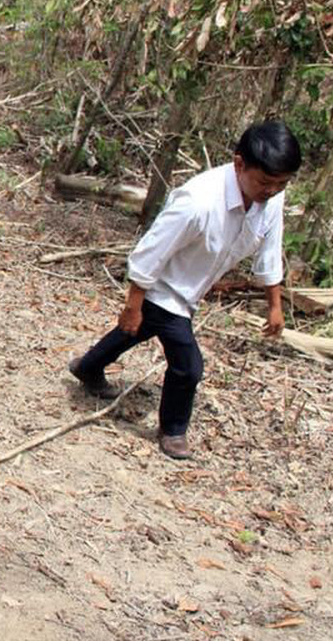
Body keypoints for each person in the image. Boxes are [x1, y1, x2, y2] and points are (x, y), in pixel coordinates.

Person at [68, 121, 302, 460]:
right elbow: (152, 251)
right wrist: (133, 303)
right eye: (265, 182)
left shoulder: (270, 197)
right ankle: (173, 430)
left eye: (281, 184)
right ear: (239, 164)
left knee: (135, 331)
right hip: (165, 288)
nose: (272, 191)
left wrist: (274, 306)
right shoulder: (198, 201)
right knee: (188, 365)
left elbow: (270, 251)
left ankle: (88, 367)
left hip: (189, 291)